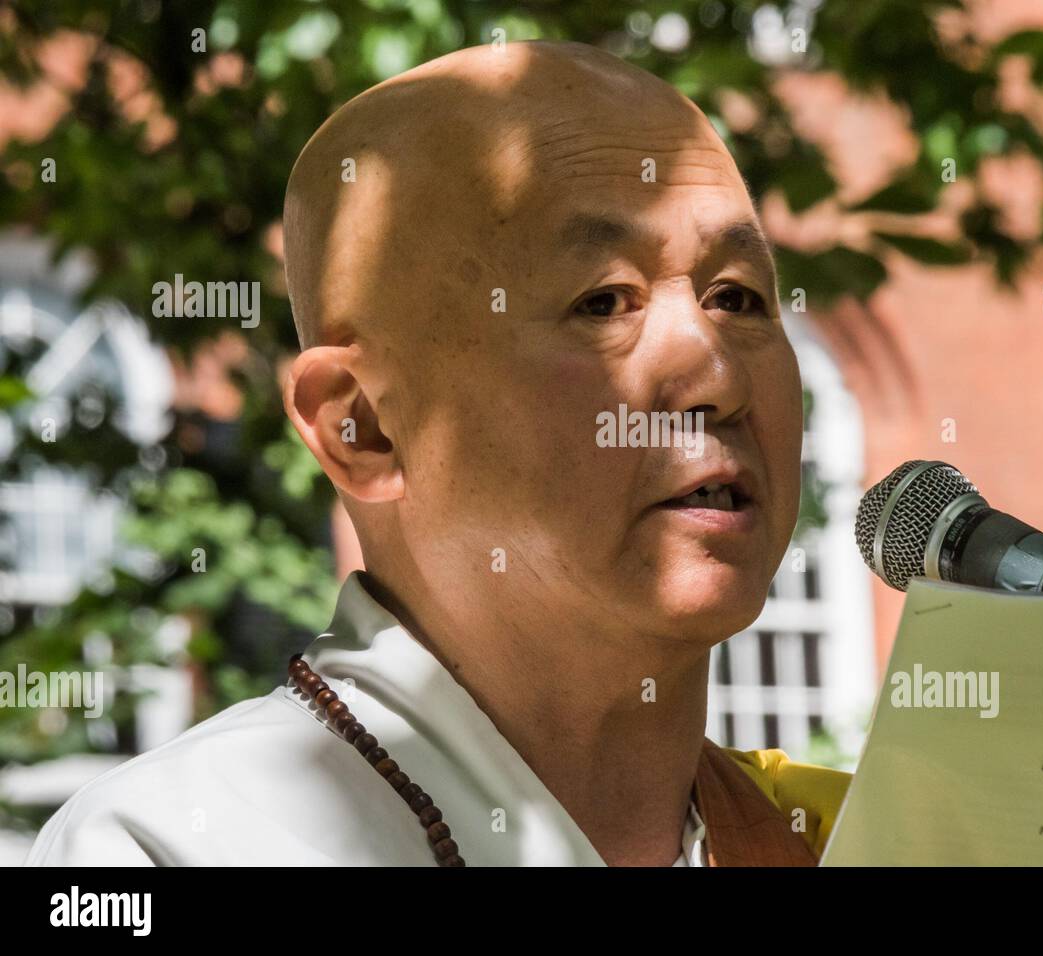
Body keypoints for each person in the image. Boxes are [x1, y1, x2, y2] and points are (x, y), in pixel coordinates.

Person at [26, 40, 848, 867]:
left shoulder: (861, 838)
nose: (715, 374)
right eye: (603, 302)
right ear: (365, 427)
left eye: (737, 297)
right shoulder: (178, 844)